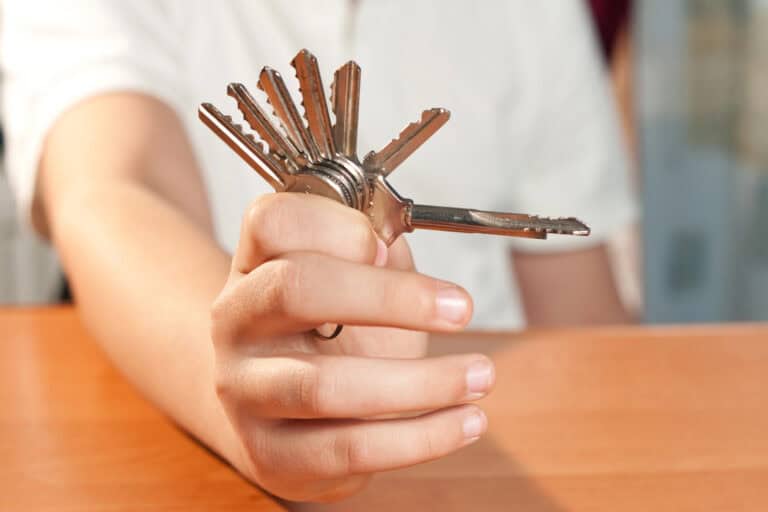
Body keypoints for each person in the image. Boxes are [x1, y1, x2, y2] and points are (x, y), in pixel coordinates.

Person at [1, 0, 635, 503]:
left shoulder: (536, 10)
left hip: (481, 451)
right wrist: (247, 394)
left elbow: (585, 328)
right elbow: (116, 189)